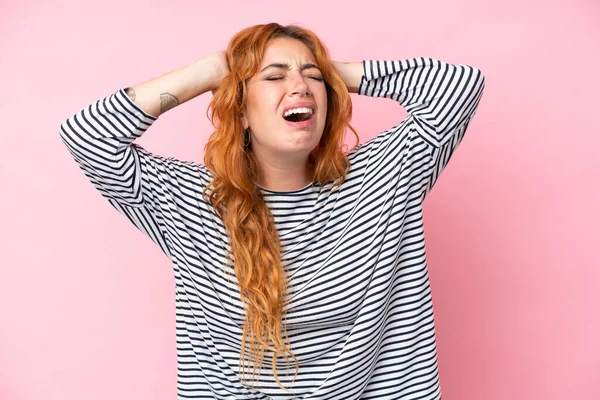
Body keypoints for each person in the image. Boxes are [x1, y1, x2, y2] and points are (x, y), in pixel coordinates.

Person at [60, 22, 485, 400]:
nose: (299, 86)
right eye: (274, 76)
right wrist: (209, 72)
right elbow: (88, 136)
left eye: (312, 78)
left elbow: (460, 85)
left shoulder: (388, 174)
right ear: (240, 110)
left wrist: (330, 72)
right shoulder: (187, 200)